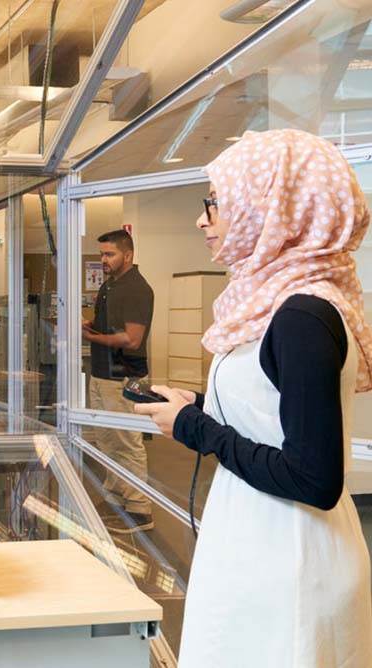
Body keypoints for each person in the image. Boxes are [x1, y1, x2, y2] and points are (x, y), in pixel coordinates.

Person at [135, 129, 372, 667]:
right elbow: (270, 410)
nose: (203, 220)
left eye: (214, 204)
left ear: (271, 208)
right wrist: (195, 404)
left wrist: (194, 428)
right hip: (258, 548)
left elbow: (313, 477)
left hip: (290, 562)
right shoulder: (276, 306)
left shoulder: (302, 316)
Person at [81, 229, 155, 533]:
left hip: (124, 377)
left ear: (128, 254)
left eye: (109, 254)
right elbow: (111, 328)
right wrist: (93, 327)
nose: (103, 260)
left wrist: (92, 337)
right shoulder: (111, 286)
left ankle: (140, 509)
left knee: (127, 442)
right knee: (106, 440)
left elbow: (132, 339)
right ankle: (116, 498)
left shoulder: (137, 288)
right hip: (102, 374)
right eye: (101, 254)